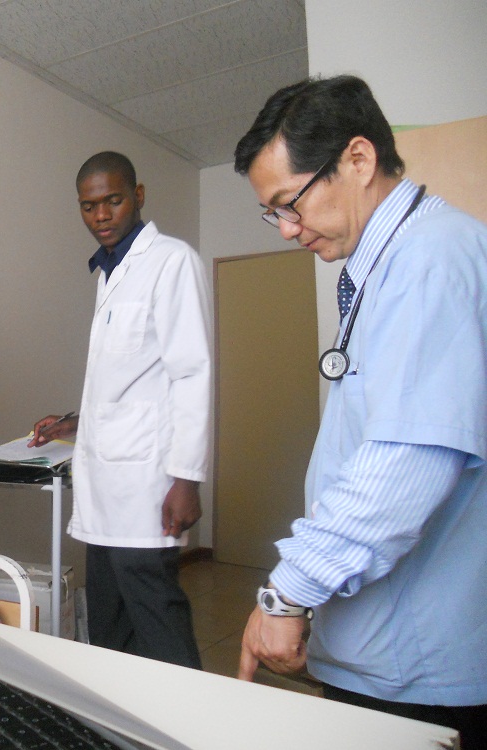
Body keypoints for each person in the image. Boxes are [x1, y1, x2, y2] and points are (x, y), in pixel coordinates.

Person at [233, 75, 487, 747]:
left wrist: (289, 591)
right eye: (273, 214)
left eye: (289, 204)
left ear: (358, 159)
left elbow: (408, 462)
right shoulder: (389, 264)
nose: (288, 229)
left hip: (419, 665)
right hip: (388, 644)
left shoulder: (428, 259)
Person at [29, 152, 211, 668]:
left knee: (158, 622)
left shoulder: (172, 261)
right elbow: (129, 381)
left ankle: (188, 713)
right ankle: (120, 713)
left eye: (113, 200)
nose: (101, 215)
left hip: (145, 489)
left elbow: (191, 374)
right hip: (104, 491)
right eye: (89, 206)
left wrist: (187, 480)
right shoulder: (110, 272)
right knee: (109, 625)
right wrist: (74, 421)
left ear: (138, 195)